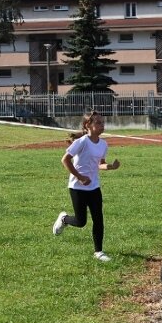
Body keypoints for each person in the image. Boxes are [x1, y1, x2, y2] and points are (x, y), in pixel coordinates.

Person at [53, 110, 120, 262]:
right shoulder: (81, 142)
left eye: (102, 122)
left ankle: (98, 252)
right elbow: (65, 160)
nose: (102, 125)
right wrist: (80, 177)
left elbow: (100, 165)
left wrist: (111, 167)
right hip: (77, 187)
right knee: (81, 221)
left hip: (94, 187)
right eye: (98, 122)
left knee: (98, 219)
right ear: (87, 125)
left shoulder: (103, 144)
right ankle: (64, 219)